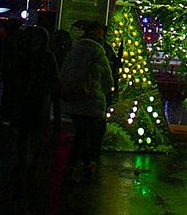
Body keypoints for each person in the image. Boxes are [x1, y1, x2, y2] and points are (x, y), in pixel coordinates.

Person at [56, 21, 114, 178]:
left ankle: (87, 163)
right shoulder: (99, 54)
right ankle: (71, 165)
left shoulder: (73, 52)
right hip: (91, 100)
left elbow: (62, 73)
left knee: (81, 132)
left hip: (73, 97)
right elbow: (108, 81)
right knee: (83, 133)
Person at [7, 26, 59, 173]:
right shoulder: (31, 56)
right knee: (25, 133)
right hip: (28, 99)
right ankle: (24, 163)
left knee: (34, 134)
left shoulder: (40, 56)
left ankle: (30, 163)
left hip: (38, 100)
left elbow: (53, 79)